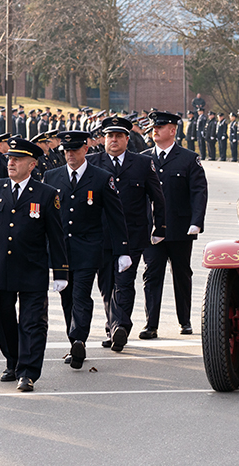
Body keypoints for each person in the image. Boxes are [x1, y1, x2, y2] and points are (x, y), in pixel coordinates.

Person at [0, 137, 69, 392]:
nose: (10, 163)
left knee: (33, 322)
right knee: (1, 319)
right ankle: (13, 361)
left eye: (17, 160)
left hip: (32, 267)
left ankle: (28, 371)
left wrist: (60, 271)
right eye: (10, 158)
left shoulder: (46, 194)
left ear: (32, 164)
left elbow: (56, 235)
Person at [44, 131, 130, 370]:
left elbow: (116, 216)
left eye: (74, 150)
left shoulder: (102, 178)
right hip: (60, 250)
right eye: (66, 150)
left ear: (85, 150)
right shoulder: (51, 177)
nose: (70, 154)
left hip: (89, 248)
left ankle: (78, 339)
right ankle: (74, 339)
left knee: (81, 294)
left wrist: (123, 250)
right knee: (66, 297)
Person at [86, 116, 165, 352]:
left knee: (124, 281)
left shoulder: (142, 163)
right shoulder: (92, 163)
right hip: (99, 235)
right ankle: (112, 327)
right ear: (104, 139)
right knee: (106, 284)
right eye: (110, 136)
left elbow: (157, 197)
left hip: (132, 234)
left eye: (119, 136)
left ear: (127, 139)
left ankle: (121, 325)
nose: (114, 140)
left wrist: (160, 228)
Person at [140, 111, 208, 338]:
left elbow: (198, 192)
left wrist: (196, 222)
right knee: (152, 275)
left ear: (173, 130)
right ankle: (151, 324)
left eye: (160, 126)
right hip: (151, 230)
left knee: (181, 274)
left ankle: (185, 320)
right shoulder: (143, 158)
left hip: (179, 228)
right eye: (153, 127)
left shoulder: (188, 158)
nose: (154, 130)